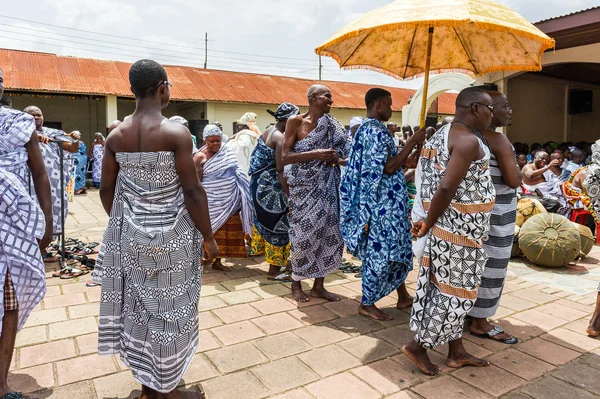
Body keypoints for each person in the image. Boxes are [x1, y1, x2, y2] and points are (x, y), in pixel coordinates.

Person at [95, 59, 216, 399]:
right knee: (171, 312)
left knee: (142, 310)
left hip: (131, 240)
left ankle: (150, 387)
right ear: (162, 86)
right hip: (175, 242)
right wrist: (208, 237)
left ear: (133, 90)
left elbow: (107, 189)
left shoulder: (115, 136)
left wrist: (126, 222)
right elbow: (192, 191)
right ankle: (167, 391)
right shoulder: (175, 133)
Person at [404, 87, 496, 376]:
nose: (492, 115)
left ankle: (456, 352)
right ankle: (419, 346)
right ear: (476, 108)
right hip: (458, 232)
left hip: (448, 227)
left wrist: (428, 219)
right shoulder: (467, 140)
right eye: (491, 109)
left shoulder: (439, 135)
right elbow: (445, 186)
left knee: (443, 287)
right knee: (457, 293)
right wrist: (428, 221)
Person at [340, 88, 424, 321]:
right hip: (381, 206)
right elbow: (386, 168)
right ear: (377, 105)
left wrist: (413, 149)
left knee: (395, 249)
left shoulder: (374, 131)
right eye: (388, 104)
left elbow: (394, 163)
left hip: (389, 202)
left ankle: (403, 296)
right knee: (381, 252)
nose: (391, 108)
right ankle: (367, 303)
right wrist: (413, 141)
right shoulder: (374, 132)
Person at [0, 67, 53, 399]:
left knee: (10, 303)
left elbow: (40, 173)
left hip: (12, 231)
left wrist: (46, 223)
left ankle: (1, 386)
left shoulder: (19, 123)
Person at [282, 84, 351, 302]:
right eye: (327, 96)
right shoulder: (296, 122)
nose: (331, 100)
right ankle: (296, 283)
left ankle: (319, 286)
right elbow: (285, 156)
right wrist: (316, 153)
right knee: (303, 236)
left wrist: (334, 158)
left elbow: (345, 152)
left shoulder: (332, 125)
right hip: (304, 188)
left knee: (328, 233)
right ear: (313, 97)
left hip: (328, 186)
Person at [467, 91, 521, 345]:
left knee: (472, 266)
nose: (510, 111)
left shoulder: (463, 136)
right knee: (492, 269)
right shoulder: (498, 140)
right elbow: (512, 180)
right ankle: (480, 322)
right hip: (497, 214)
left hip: (471, 214)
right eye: (505, 106)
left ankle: (467, 310)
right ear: (486, 109)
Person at [248, 103, 300, 281]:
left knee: (268, 221)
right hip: (271, 188)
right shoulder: (280, 137)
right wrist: (289, 195)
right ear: (288, 120)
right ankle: (274, 270)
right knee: (278, 223)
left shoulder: (268, 130)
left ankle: (280, 263)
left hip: (258, 184)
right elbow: (280, 169)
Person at [194, 124, 253, 272]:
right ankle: (203, 260)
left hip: (230, 199)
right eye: (211, 141)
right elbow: (197, 182)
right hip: (211, 201)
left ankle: (218, 262)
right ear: (205, 141)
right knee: (209, 231)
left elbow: (236, 168)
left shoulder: (227, 151)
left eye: (218, 141)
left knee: (225, 232)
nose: (215, 144)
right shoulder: (200, 157)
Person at [24, 106, 79, 259]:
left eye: (38, 115)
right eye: (32, 115)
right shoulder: (20, 134)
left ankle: (43, 247)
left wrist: (76, 138)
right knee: (32, 213)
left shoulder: (53, 133)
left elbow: (72, 148)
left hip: (54, 184)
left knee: (53, 213)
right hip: (29, 182)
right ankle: (33, 248)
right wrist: (36, 137)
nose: (36, 118)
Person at [522, 151, 569, 215]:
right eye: (542, 158)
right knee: (554, 203)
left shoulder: (544, 168)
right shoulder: (528, 166)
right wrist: (548, 167)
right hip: (535, 193)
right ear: (535, 158)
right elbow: (530, 174)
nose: (544, 161)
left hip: (549, 191)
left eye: (546, 160)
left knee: (568, 199)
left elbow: (553, 181)